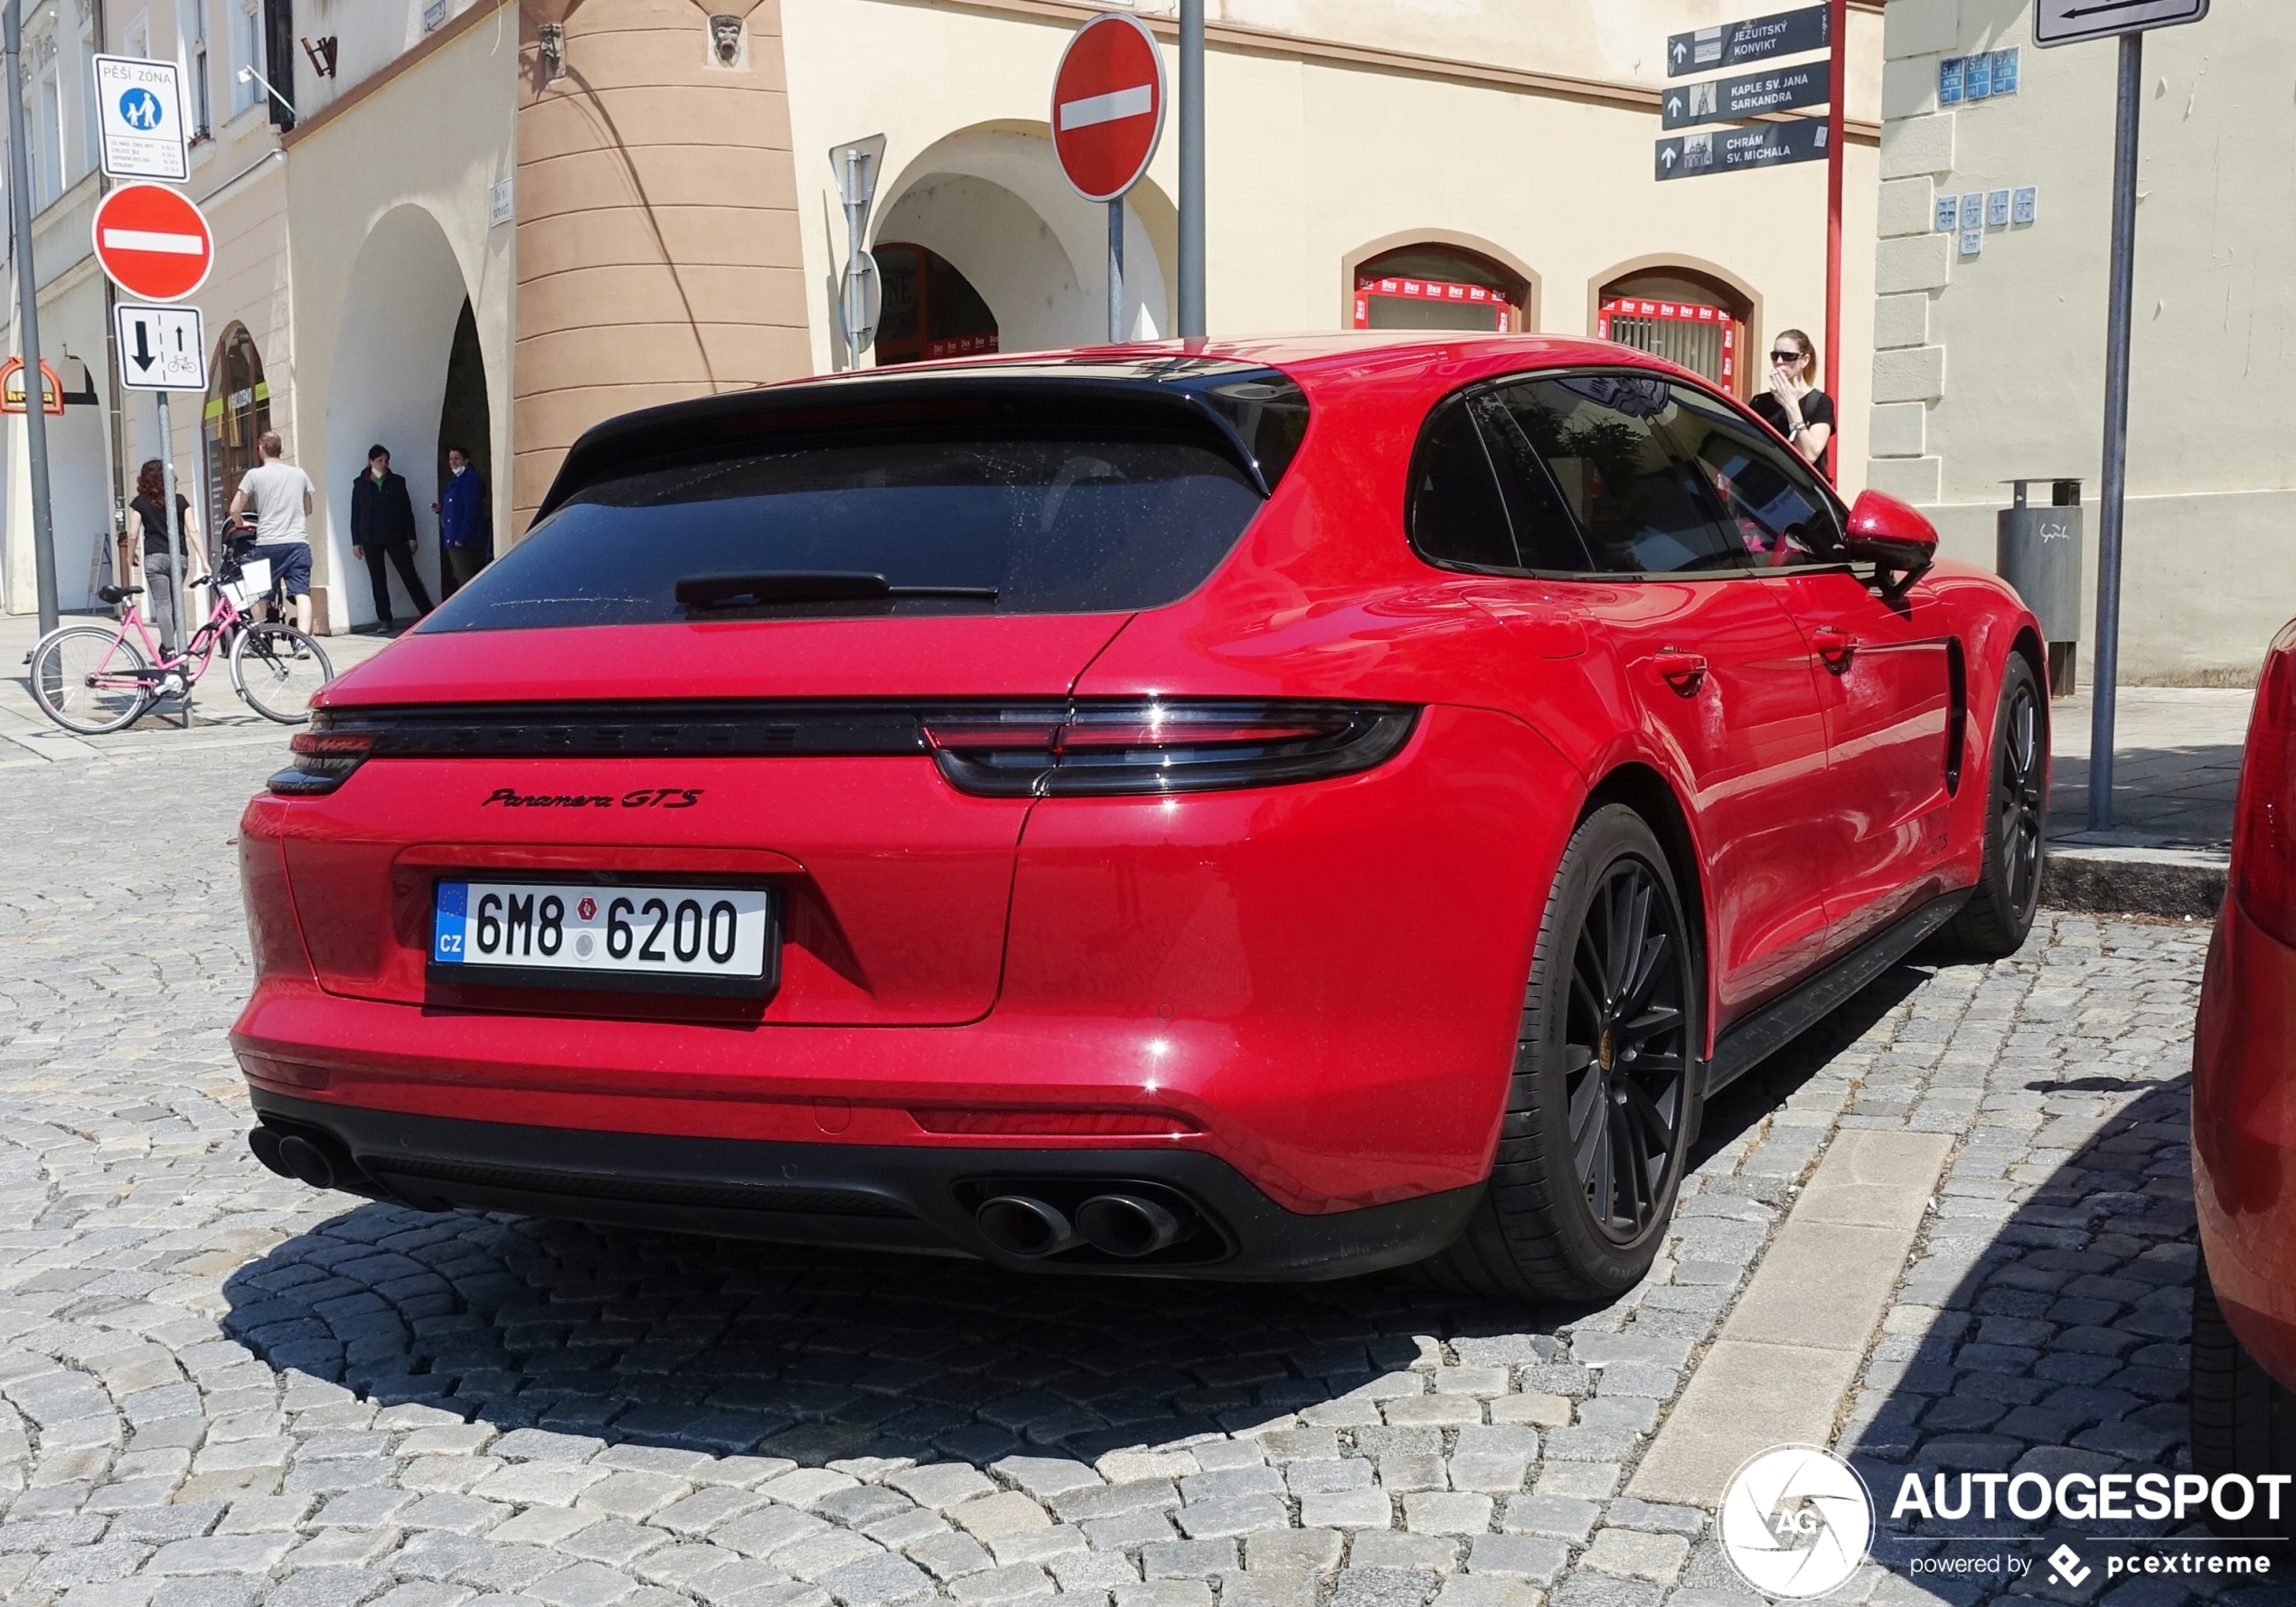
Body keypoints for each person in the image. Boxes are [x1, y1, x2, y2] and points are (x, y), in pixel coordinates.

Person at [227, 430, 316, 634]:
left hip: (267, 544)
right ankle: (303, 641)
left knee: (257, 592)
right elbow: (308, 509)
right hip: (298, 542)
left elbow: (234, 509)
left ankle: (261, 634)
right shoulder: (300, 474)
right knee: (302, 593)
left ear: (260, 450)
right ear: (281, 449)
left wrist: (240, 523)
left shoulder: (254, 475)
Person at [124, 458, 206, 658]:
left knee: (162, 605)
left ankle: (169, 649)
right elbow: (193, 531)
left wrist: (130, 555)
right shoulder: (180, 501)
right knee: (177, 604)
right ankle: (169, 645)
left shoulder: (140, 503)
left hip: (154, 558)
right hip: (179, 558)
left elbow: (133, 534)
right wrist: (204, 560)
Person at [350, 445, 435, 631]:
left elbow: (407, 511)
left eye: (386, 460)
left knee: (409, 575)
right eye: (380, 460)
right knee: (378, 579)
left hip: (395, 535)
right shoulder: (360, 483)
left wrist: (411, 536)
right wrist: (356, 541)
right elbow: (355, 514)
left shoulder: (397, 481)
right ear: (371, 461)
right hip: (370, 537)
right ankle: (385, 619)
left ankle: (427, 612)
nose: (384, 464)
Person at [1748, 328, 1835, 479]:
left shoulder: (1820, 402)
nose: (1780, 362)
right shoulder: (1760, 402)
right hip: (1761, 490)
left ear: (1805, 360)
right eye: (1775, 356)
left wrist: (1791, 406)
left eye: (1788, 356)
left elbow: (1809, 455)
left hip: (1801, 494)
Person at [430, 445, 492, 598]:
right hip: (453, 535)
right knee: (460, 576)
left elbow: (471, 510)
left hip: (462, 539)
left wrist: (461, 537)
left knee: (466, 579)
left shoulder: (470, 480)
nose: (453, 462)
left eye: (457, 458)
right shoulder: (456, 480)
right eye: (451, 459)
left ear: (466, 460)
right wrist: (442, 509)